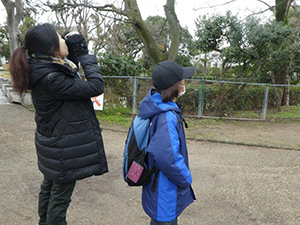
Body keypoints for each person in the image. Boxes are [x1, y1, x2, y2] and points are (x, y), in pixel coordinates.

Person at [9, 23, 108, 225]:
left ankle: (43, 222)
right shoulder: (52, 78)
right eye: (60, 39)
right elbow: (96, 86)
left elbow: (68, 77)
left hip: (53, 142)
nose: (64, 40)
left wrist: (71, 55)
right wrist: (83, 55)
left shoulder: (42, 68)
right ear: (52, 49)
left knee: (50, 185)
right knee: (60, 196)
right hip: (63, 147)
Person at [139, 61, 196, 225]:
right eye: (182, 81)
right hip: (164, 190)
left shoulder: (157, 106)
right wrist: (186, 178)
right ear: (174, 86)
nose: (184, 84)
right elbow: (167, 157)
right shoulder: (167, 116)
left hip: (156, 185)